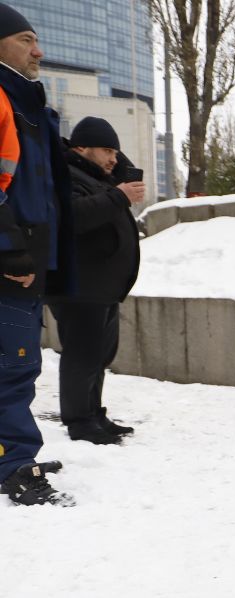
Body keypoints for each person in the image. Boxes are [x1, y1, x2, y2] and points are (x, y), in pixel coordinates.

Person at [0, 3, 75, 507]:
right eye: (27, 39)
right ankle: (13, 464)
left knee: (17, 363)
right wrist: (10, 252)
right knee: (13, 365)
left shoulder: (25, 104)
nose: (38, 50)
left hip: (28, 258)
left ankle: (12, 451)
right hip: (12, 262)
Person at [46, 117, 144, 445]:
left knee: (98, 356)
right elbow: (74, 217)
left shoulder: (96, 177)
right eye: (105, 150)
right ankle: (79, 422)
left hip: (101, 288)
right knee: (81, 356)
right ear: (81, 148)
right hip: (79, 287)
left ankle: (93, 415)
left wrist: (113, 165)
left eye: (115, 151)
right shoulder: (67, 175)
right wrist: (119, 195)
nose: (113, 158)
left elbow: (110, 181)